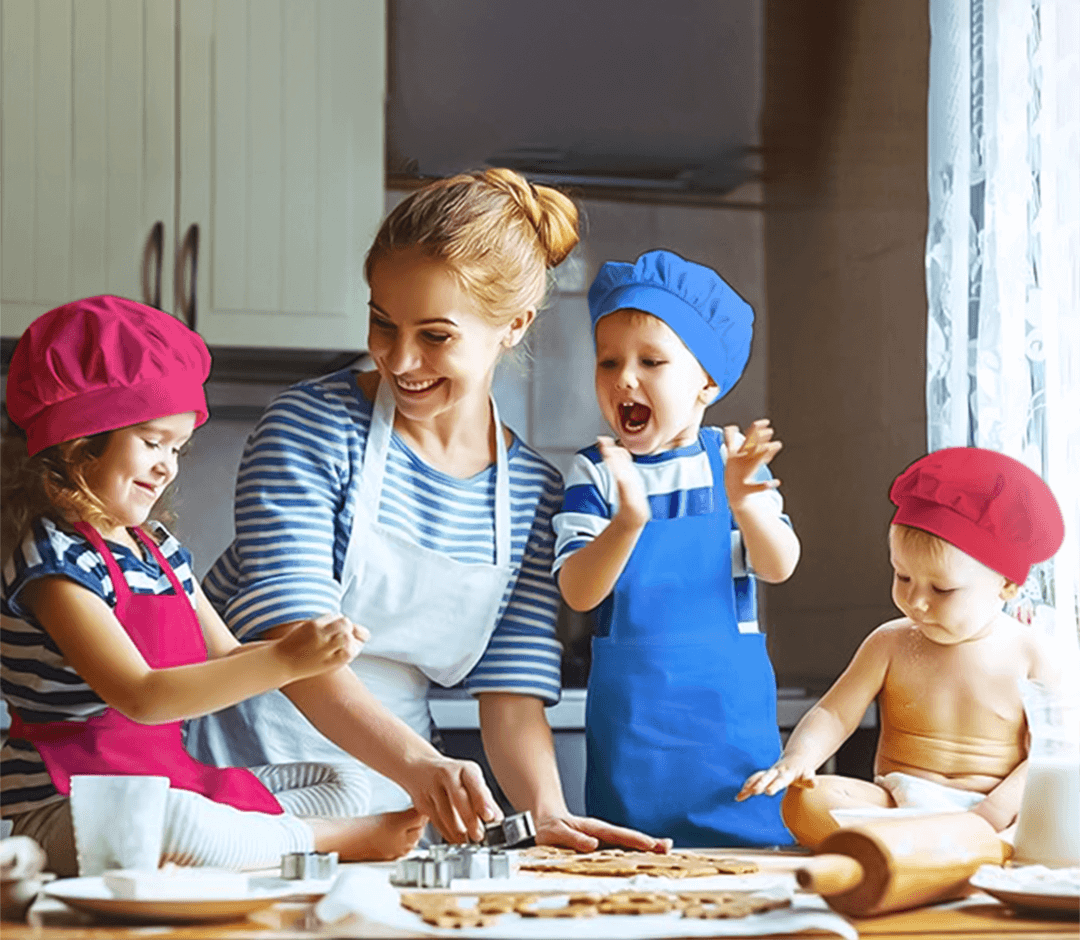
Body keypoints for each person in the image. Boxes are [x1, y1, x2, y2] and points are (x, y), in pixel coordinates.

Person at [186, 170, 668, 852]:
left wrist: (546, 810)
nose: (399, 358)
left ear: (514, 327)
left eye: (435, 336)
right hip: (245, 783)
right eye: (382, 323)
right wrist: (418, 766)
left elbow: (511, 691)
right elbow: (288, 641)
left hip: (397, 808)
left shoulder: (531, 489)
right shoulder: (310, 426)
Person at [0, 296, 426, 876]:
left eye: (177, 448)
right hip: (64, 804)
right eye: (152, 442)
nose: (167, 466)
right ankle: (317, 841)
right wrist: (283, 659)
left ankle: (261, 840)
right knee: (171, 823)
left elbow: (228, 658)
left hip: (163, 778)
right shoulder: (53, 561)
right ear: (80, 438)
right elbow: (142, 695)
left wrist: (309, 652)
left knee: (343, 779)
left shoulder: (159, 553)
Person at [552, 249, 801, 847]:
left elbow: (779, 565)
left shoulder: (734, 462)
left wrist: (746, 501)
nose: (624, 379)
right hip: (634, 740)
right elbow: (579, 591)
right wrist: (628, 520)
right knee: (631, 878)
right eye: (608, 362)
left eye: (652, 361)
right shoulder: (596, 472)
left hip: (730, 739)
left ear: (707, 382)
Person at [737, 447, 1066, 848]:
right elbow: (834, 713)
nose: (917, 601)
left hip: (993, 811)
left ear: (1007, 586)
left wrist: (992, 813)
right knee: (806, 802)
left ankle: (928, 850)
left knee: (1049, 817)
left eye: (942, 589)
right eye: (903, 577)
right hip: (897, 804)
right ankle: (931, 851)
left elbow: (1049, 755)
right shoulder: (889, 642)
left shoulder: (1031, 654)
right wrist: (798, 759)